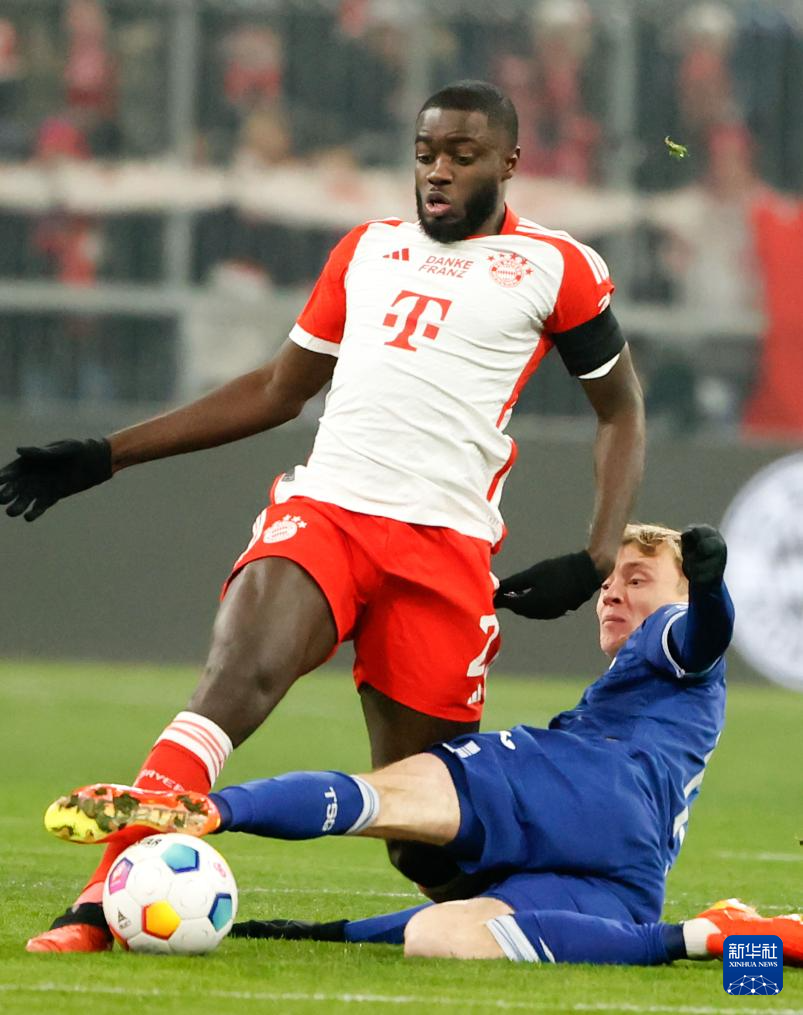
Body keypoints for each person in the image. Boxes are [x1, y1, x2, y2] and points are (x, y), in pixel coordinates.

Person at [1, 80, 645, 951]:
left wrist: (596, 554)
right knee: (235, 683)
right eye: (425, 154)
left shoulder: (556, 266)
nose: (437, 172)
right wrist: (105, 453)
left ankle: (569, 909)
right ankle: (96, 904)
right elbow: (278, 387)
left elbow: (620, 410)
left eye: (461, 156)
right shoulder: (366, 249)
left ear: (508, 163)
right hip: (328, 512)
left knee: (429, 839)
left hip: (444, 550)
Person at [44, 523, 803, 966]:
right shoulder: (659, 685)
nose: (613, 592)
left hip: (588, 783)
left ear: (676, 594)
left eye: (636, 580)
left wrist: (711, 588)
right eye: (611, 584)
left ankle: (210, 808)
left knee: (390, 797)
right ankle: (721, 939)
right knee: (439, 936)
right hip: (628, 879)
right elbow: (700, 641)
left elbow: (704, 633)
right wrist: (310, 934)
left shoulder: (672, 637)